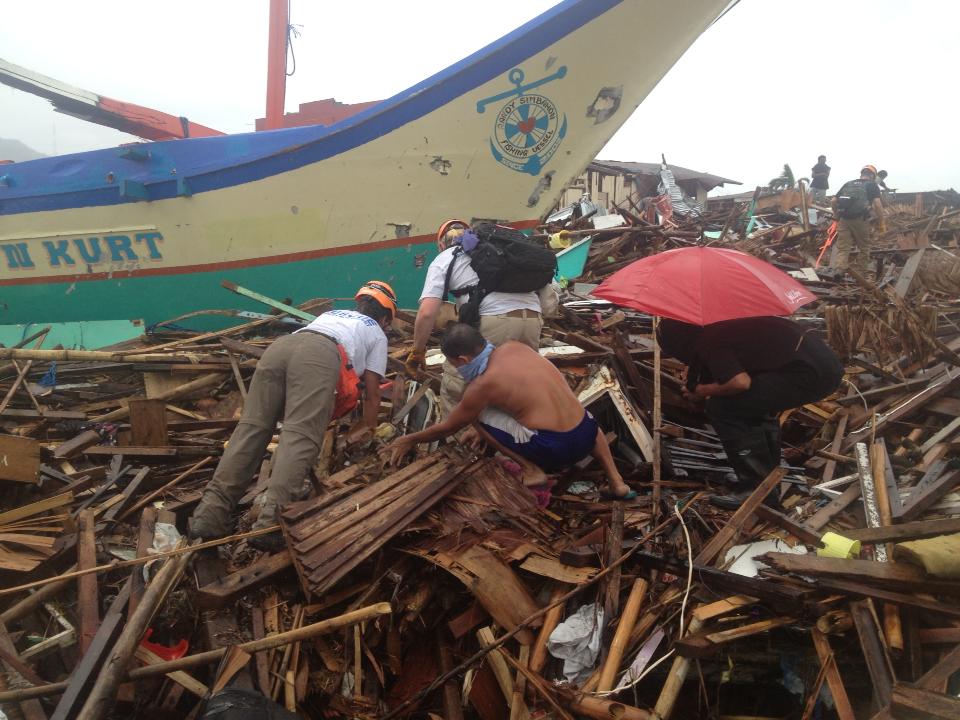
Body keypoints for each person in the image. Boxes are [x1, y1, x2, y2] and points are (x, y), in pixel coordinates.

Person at [189, 281, 397, 551]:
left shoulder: (331, 315)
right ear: (384, 318)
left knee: (251, 430)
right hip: (318, 357)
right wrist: (368, 430)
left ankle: (209, 516)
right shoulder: (377, 333)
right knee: (299, 437)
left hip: (279, 349)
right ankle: (271, 524)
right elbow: (372, 392)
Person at [389, 323, 633, 499]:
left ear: (462, 360)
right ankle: (617, 481)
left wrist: (407, 439)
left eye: (453, 364)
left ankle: (532, 470)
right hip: (587, 434)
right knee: (582, 416)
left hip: (556, 448)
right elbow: (516, 396)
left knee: (475, 417)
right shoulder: (516, 347)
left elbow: (451, 426)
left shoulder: (482, 385)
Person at [658, 316, 843, 510]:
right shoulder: (721, 326)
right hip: (823, 366)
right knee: (753, 405)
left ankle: (756, 490)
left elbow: (740, 382)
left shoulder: (710, 341)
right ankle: (768, 481)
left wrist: (702, 391)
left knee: (723, 408)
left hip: (809, 374)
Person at [405, 219, 542, 415]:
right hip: (533, 320)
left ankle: (458, 441)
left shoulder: (446, 257)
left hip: (492, 322)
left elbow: (427, 313)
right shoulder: (507, 250)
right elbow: (549, 298)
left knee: (457, 388)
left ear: (441, 244)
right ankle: (515, 440)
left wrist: (417, 351)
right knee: (518, 388)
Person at [831, 164, 885, 280]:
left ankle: (839, 270)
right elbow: (877, 205)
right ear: (872, 175)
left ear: (862, 173)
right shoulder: (872, 185)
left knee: (843, 247)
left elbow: (834, 201)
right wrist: (881, 223)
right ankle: (861, 274)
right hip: (860, 220)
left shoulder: (848, 184)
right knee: (864, 247)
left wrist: (836, 215)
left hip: (844, 219)